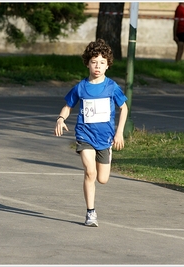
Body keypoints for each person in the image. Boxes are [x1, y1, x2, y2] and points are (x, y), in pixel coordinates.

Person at [54, 39, 128, 227]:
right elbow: (67, 106)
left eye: (102, 62)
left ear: (108, 65)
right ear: (87, 63)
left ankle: (106, 153)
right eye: (94, 61)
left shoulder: (112, 87)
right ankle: (90, 213)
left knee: (102, 179)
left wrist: (119, 133)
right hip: (85, 135)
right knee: (90, 172)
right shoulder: (80, 87)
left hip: (105, 138)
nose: (98, 66)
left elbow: (124, 108)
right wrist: (61, 119)